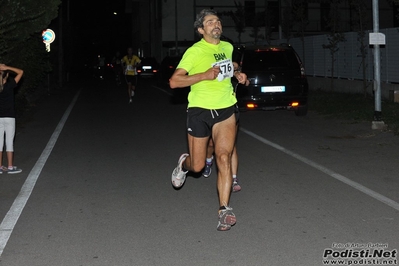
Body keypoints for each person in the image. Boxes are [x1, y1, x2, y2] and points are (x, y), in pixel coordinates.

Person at [169, 9, 248, 231]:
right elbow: (175, 82)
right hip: (199, 111)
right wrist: (204, 75)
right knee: (197, 165)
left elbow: (229, 67)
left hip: (225, 109)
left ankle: (224, 210)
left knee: (223, 156)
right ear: (201, 30)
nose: (216, 24)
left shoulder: (227, 47)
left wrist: (238, 73)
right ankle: (182, 165)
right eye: (210, 22)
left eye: (218, 21)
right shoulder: (194, 52)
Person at [0, 64, 23, 174]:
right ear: (7, 75)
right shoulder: (10, 86)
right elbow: (20, 72)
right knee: (9, 142)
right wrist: (7, 67)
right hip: (9, 117)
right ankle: (10, 167)